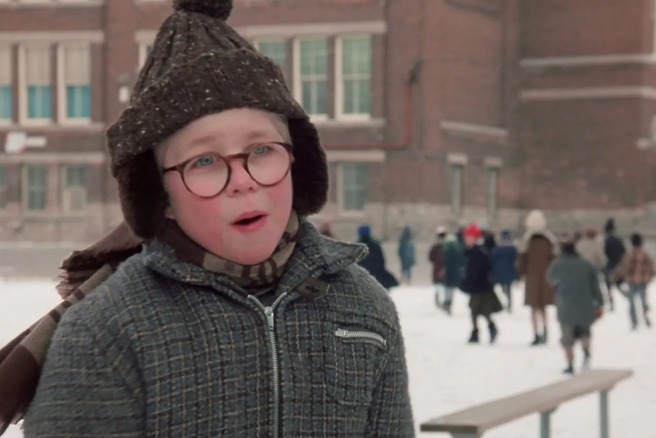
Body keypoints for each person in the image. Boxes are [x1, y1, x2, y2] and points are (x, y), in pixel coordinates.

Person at [19, 2, 414, 435]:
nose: (243, 181)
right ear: (162, 196)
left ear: (296, 165)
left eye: (262, 150)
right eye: (205, 161)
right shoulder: (105, 333)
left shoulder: (363, 307)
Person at [547, 234, 605, 375]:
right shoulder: (586, 265)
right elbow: (595, 286)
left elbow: (550, 279)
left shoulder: (557, 264)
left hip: (566, 306)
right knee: (585, 332)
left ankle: (570, 364)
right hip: (585, 306)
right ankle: (586, 351)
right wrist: (600, 303)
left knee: (567, 339)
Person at [519, 210, 557, 346]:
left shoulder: (527, 241)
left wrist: (521, 274)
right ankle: (546, 330)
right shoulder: (549, 240)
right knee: (543, 307)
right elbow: (554, 259)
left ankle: (536, 333)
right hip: (546, 277)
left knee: (534, 308)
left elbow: (522, 260)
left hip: (532, 277)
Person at [460, 224, 502, 344]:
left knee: (482, 310)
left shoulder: (479, 252)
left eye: (468, 237)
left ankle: (488, 328)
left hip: (482, 287)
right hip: (476, 287)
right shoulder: (472, 252)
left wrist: (470, 281)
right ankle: (476, 331)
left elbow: (479, 270)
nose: (466, 240)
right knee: (474, 310)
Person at [613, 233, 656, 330]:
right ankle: (645, 317)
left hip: (632, 281)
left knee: (632, 303)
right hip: (643, 281)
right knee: (643, 301)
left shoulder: (629, 254)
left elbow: (624, 267)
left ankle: (634, 322)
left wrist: (617, 275)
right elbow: (651, 267)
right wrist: (650, 276)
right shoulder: (645, 254)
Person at [358, 224, 400, 290]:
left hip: (362, 274)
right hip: (376, 272)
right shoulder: (375, 244)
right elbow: (381, 259)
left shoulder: (357, 246)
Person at [490, 230, 518, 312]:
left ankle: (507, 302)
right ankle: (509, 303)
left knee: (504, 288)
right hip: (509, 271)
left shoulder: (498, 249)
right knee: (508, 288)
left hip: (500, 271)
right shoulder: (512, 249)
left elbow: (493, 259)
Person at [603, 218, 626, 311]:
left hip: (608, 265)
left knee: (608, 287)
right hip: (618, 265)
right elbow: (624, 252)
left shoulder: (605, 241)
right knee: (618, 284)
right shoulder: (618, 240)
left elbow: (603, 253)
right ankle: (627, 297)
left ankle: (611, 302)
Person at [441, 232, 465, 315]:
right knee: (451, 291)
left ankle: (447, 304)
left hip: (448, 273)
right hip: (455, 273)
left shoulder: (446, 251)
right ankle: (449, 304)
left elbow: (445, 262)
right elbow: (462, 262)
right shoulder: (458, 250)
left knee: (448, 290)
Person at [428, 226, 447, 309]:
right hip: (443, 270)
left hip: (439, 269)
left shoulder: (436, 247)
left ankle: (441, 301)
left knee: (440, 287)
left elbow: (431, 257)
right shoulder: (446, 247)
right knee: (442, 287)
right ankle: (442, 301)